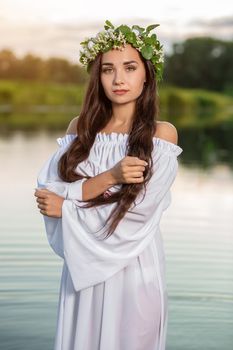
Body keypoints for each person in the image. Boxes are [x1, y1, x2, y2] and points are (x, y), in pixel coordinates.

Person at [34, 20, 183, 350]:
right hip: (81, 269)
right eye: (107, 70)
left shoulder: (161, 135)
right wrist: (110, 178)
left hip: (134, 269)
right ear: (96, 77)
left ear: (146, 74)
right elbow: (48, 194)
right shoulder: (79, 131)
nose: (118, 79)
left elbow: (137, 214)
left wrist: (70, 203)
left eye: (130, 68)